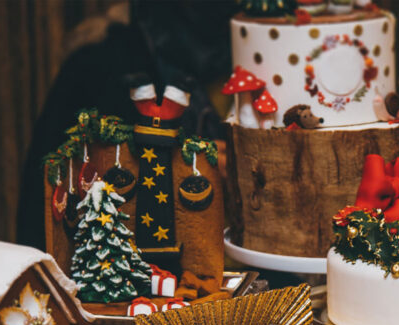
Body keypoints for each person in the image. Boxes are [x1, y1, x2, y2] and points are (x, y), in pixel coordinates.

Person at [16, 0, 235, 250]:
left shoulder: (260, 49)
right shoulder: (99, 66)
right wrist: (190, 169)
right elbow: (55, 199)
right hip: (127, 266)